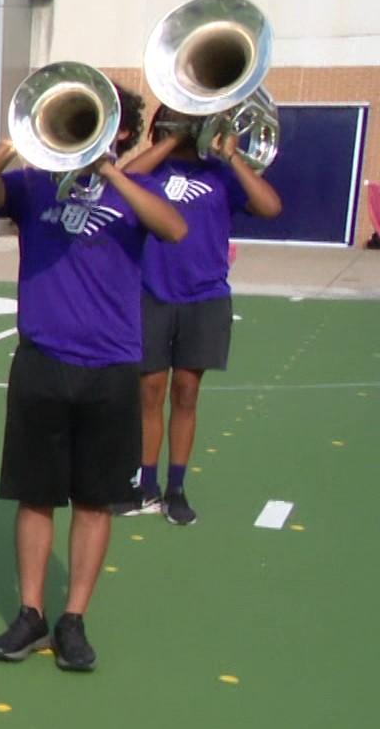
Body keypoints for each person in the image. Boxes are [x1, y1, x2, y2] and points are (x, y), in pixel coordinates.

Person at [0, 82, 187, 672]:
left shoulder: (135, 190)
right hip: (42, 359)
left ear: (117, 131)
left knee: (93, 501)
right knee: (36, 496)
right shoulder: (33, 187)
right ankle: (31, 614)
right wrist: (21, 138)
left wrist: (112, 174)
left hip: (111, 365)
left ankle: (73, 620)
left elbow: (174, 230)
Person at [115, 105, 282, 523]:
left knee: (186, 392)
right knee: (149, 391)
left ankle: (176, 488)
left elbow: (270, 206)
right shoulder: (152, 171)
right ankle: (145, 484)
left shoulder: (221, 173)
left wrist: (231, 156)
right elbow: (121, 180)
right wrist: (174, 139)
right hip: (150, 293)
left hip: (204, 298)